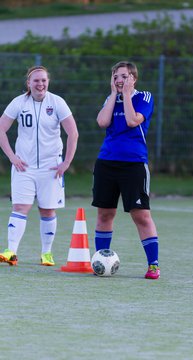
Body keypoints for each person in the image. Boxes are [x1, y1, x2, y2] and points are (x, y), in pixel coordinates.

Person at [0, 65, 79, 266]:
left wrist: (66, 162)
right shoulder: (19, 102)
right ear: (28, 83)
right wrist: (12, 156)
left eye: (44, 80)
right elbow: (1, 129)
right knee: (20, 207)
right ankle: (11, 252)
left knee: (47, 210)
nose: (40, 84)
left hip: (51, 168)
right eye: (36, 80)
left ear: (48, 82)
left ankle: (46, 254)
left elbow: (73, 133)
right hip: (23, 167)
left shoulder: (57, 102)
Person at [92, 61, 160, 279]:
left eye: (123, 76)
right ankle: (100, 261)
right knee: (104, 213)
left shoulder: (144, 97)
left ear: (133, 78)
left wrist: (128, 95)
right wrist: (114, 95)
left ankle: (153, 265)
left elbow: (132, 121)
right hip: (107, 162)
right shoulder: (111, 99)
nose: (118, 80)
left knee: (141, 215)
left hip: (133, 164)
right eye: (115, 76)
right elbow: (102, 122)